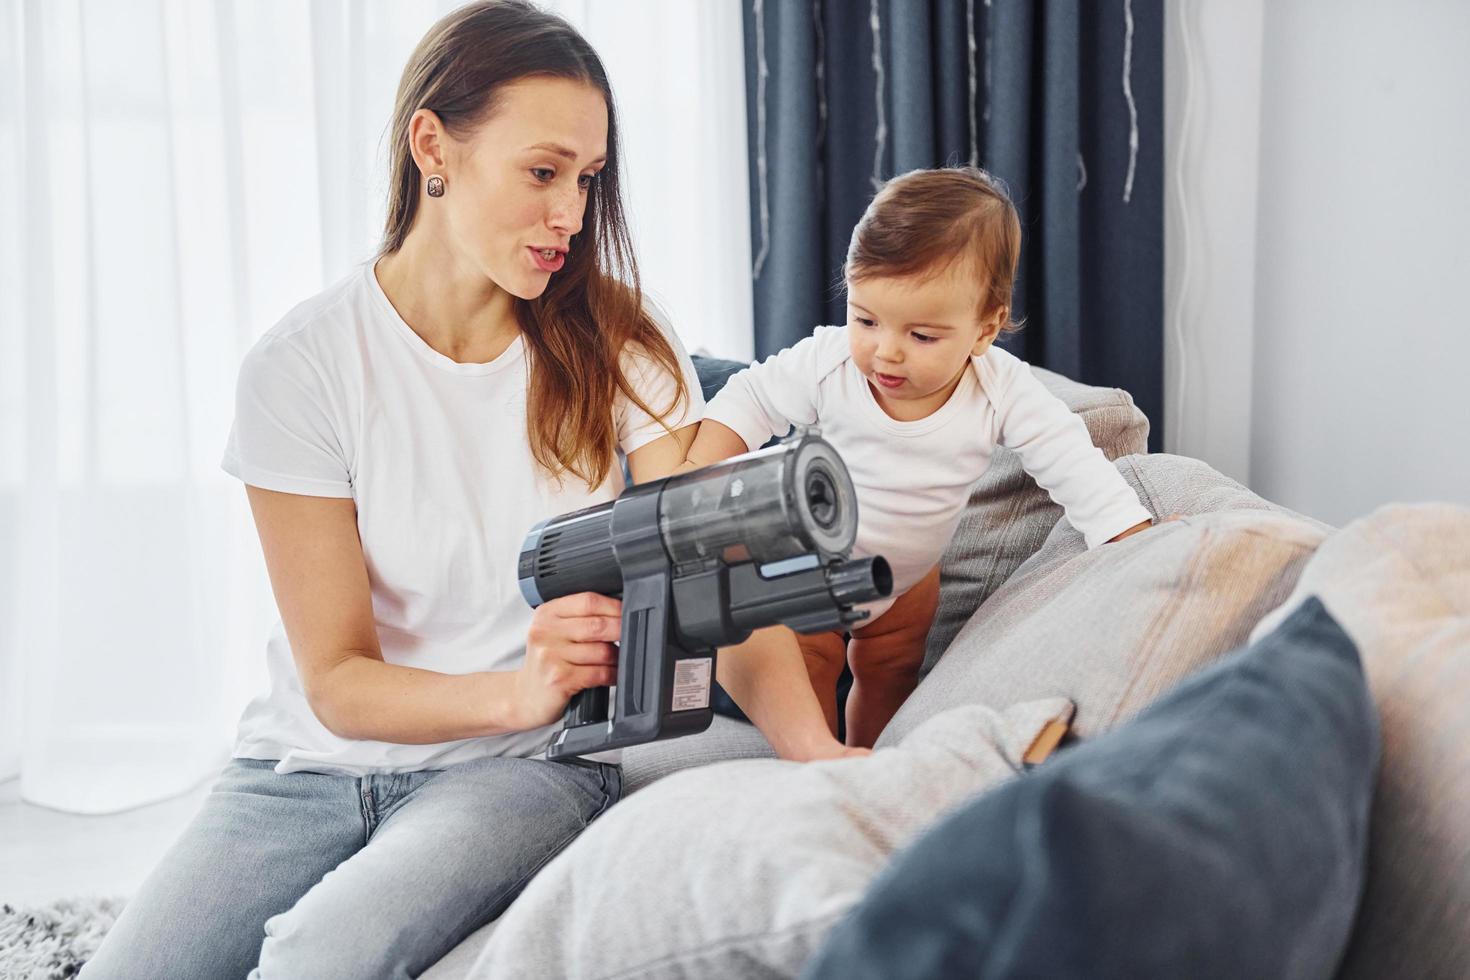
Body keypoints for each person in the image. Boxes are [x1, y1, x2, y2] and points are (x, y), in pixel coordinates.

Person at [81, 4, 848, 977]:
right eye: (542, 171)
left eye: (587, 178)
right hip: (301, 770)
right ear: (431, 145)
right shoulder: (303, 366)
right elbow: (339, 680)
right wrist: (514, 686)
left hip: (518, 769)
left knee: (318, 952)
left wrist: (813, 747)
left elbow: (707, 573)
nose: (570, 213)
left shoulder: (625, 344)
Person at [679, 166, 1158, 748]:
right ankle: (814, 766)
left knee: (890, 676)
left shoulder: (1001, 387)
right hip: (809, 565)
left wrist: (1129, 534)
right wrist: (693, 479)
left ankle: (871, 762)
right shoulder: (829, 363)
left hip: (905, 582)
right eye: (866, 319)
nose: (886, 352)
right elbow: (752, 397)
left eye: (922, 336)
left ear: (986, 329)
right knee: (811, 670)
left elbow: (1068, 456)